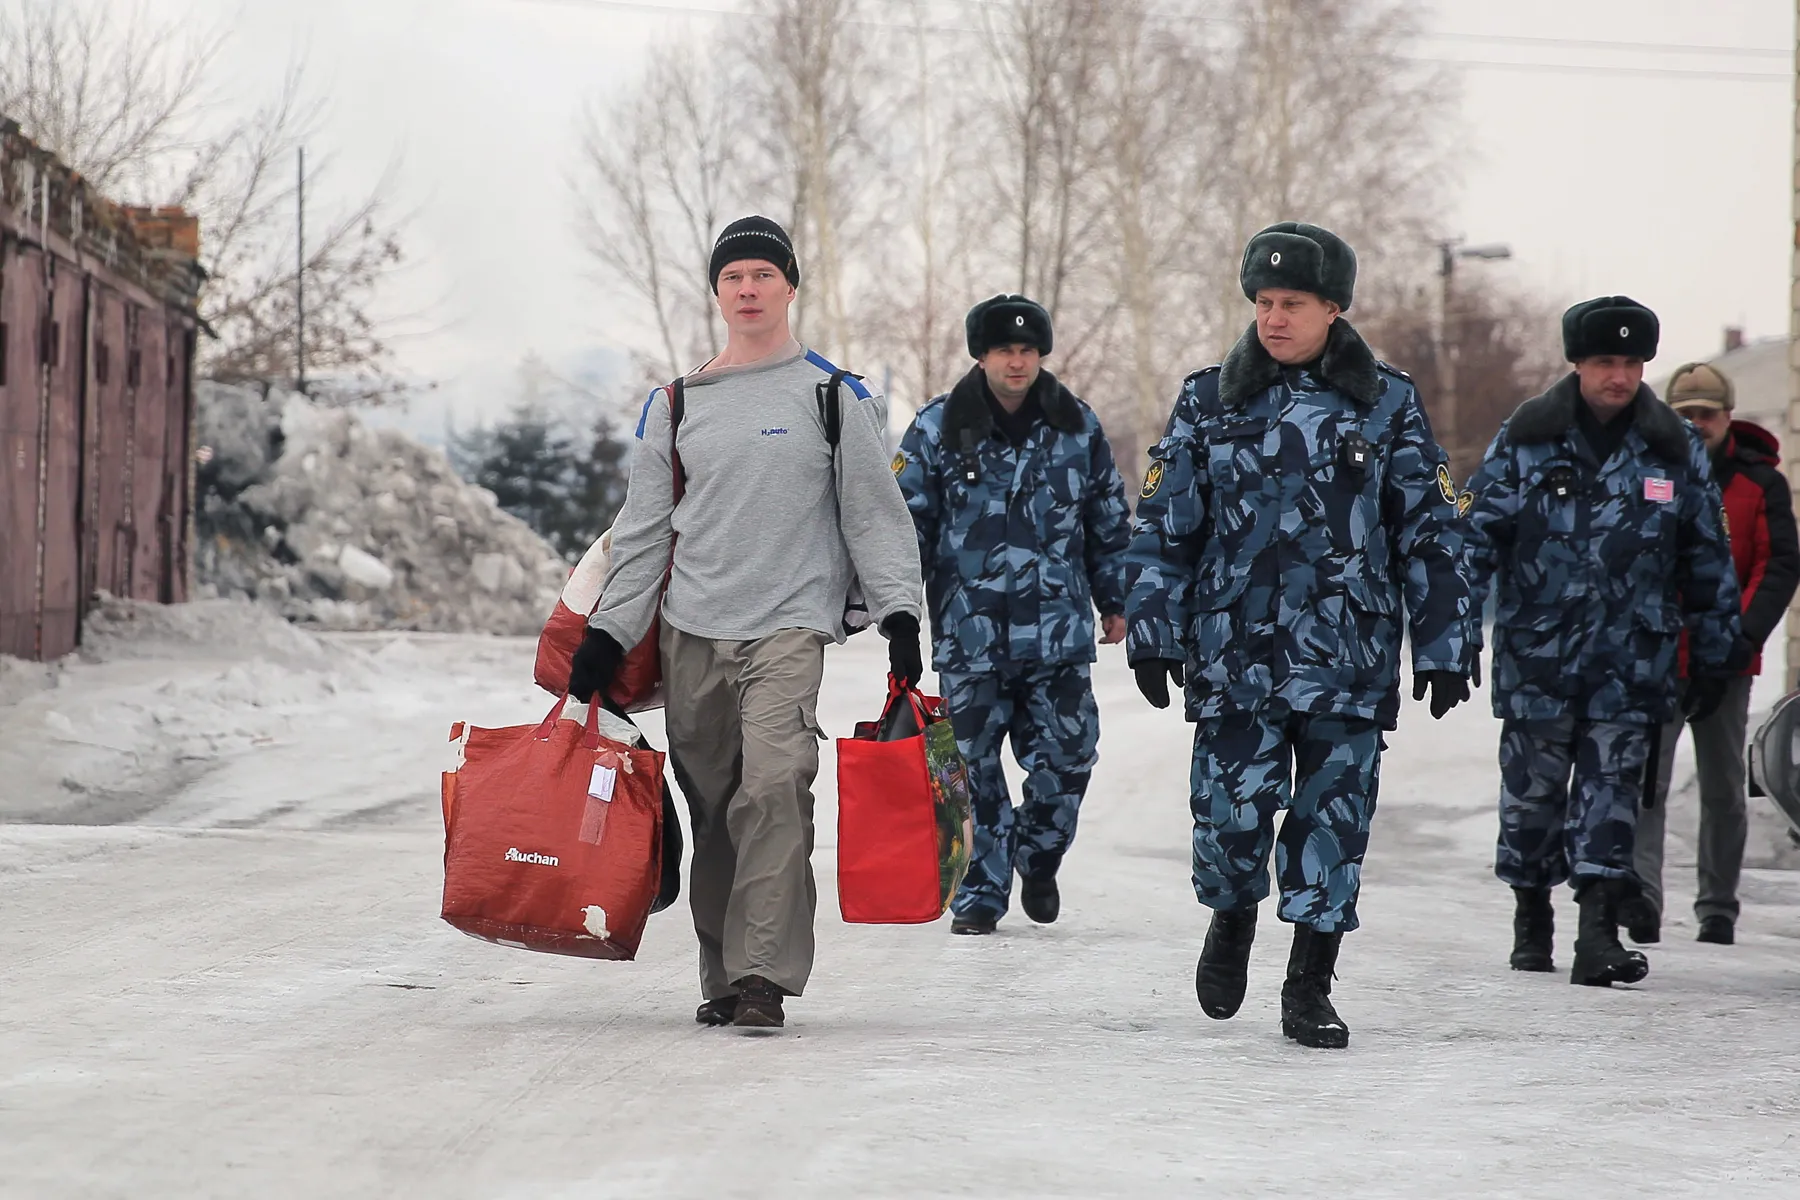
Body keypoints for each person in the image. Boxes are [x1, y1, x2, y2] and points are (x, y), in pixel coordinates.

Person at [568, 215, 925, 1031]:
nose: (749, 289)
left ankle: (763, 976)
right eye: (734, 278)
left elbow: (876, 514)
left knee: (774, 786)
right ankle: (723, 976)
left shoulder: (834, 396)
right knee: (715, 803)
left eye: (764, 275)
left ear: (790, 287)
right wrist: (607, 634)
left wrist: (900, 610)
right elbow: (643, 530)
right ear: (718, 294)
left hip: (789, 625)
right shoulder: (677, 402)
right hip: (693, 628)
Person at [1124, 222, 1473, 1049]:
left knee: (1333, 821)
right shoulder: (1209, 399)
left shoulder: (1387, 402)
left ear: (1333, 308)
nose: (1274, 318)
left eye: (1293, 304)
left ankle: (1310, 983)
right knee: (1230, 814)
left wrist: (1445, 642)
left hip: (1346, 655)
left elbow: (1430, 528)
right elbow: (1165, 524)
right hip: (1234, 654)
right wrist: (1151, 629)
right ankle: (1232, 918)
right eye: (1263, 302)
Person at [1463, 297, 1747, 989]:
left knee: (1612, 794)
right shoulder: (1527, 438)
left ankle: (1598, 929)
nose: (1617, 377)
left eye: (1629, 363)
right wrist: (1454, 636)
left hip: (1631, 659)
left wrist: (1716, 652)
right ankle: (1532, 914)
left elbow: (1706, 558)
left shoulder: (1672, 449)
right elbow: (1471, 544)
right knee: (1531, 800)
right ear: (1578, 365)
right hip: (1539, 655)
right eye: (1603, 363)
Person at [894, 294, 1131, 935]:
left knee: (1070, 756)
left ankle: (1040, 851)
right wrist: (893, 610)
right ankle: (981, 891)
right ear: (982, 355)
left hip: (1056, 635)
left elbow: (1107, 521)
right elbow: (905, 527)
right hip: (970, 635)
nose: (1018, 361)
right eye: (1005, 349)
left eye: (1028, 349)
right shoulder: (938, 427)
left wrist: (1116, 599)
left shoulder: (1076, 426)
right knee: (972, 770)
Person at [1627, 363, 1799, 947]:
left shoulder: (1760, 484)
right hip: (1655, 657)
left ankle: (1718, 906)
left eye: (1707, 413)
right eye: (1685, 412)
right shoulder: (1647, 470)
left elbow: (1775, 566)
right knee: (1646, 782)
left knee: (1723, 788)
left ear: (1729, 418)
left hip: (1726, 665)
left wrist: (1738, 637)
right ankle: (1643, 897)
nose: (1695, 423)